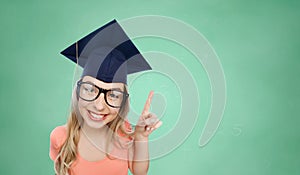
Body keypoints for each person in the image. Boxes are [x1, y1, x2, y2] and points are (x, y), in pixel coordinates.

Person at [49, 19, 162, 175]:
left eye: (114, 95)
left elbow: (139, 171)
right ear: (77, 92)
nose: (100, 106)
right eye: (90, 90)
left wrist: (141, 137)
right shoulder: (60, 137)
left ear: (123, 103)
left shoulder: (124, 131)